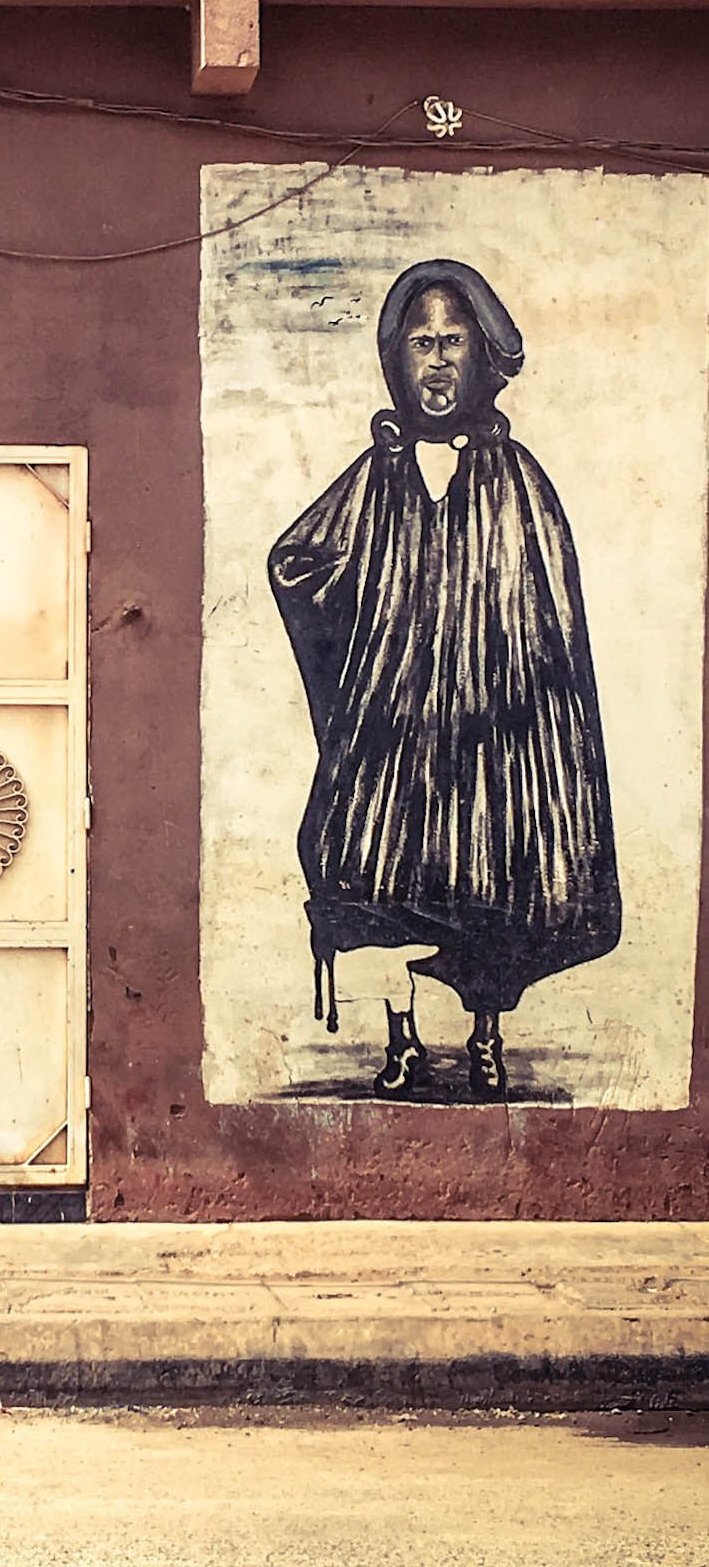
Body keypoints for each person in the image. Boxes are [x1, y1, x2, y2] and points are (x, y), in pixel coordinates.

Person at [268, 258, 619, 1101]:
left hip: (493, 738)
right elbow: (297, 561)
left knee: (487, 879)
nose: (435, 362)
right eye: (420, 343)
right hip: (394, 731)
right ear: (398, 358)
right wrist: (360, 658)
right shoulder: (377, 474)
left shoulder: (519, 480)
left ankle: (485, 1038)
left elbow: (552, 614)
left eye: (452, 342)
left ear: (482, 356)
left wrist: (518, 691)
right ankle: (403, 1040)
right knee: (383, 882)